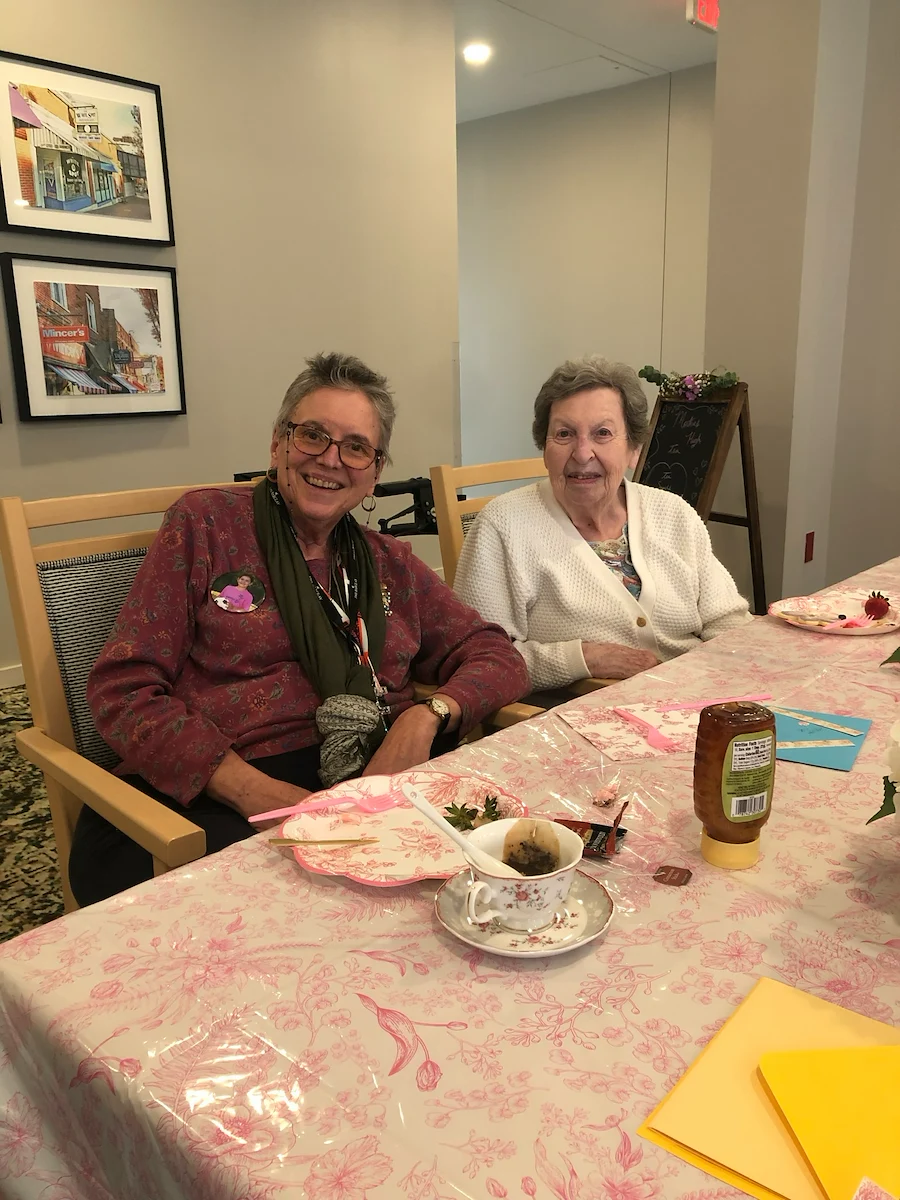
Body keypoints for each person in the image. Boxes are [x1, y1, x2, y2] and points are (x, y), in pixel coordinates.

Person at [73, 352, 530, 906]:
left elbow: (496, 655)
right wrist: (252, 791)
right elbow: (122, 690)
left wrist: (423, 717)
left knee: (494, 889)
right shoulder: (206, 524)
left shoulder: (390, 562)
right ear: (278, 444)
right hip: (219, 790)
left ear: (374, 473)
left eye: (356, 447)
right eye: (313, 435)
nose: (331, 459)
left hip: (371, 784)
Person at [453, 356, 751, 692]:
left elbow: (727, 621)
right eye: (564, 434)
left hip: (698, 703)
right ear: (545, 448)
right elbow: (478, 658)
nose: (582, 453)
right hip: (575, 716)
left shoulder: (673, 513)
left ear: (634, 449)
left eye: (602, 433)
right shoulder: (503, 525)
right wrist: (584, 658)